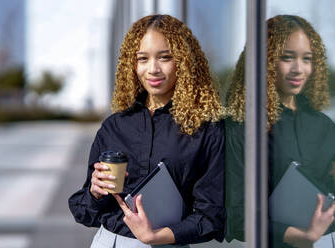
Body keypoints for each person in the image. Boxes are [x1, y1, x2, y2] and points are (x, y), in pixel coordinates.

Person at [68, 14, 226, 247]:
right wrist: (95, 192)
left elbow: (211, 215)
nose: (153, 69)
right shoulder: (114, 126)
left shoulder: (207, 130)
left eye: (165, 58)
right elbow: (84, 212)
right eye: (142, 59)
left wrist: (155, 237)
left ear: (183, 61)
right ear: (132, 64)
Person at [225, 15, 335, 248]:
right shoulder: (240, 128)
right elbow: (236, 218)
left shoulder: (324, 126)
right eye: (287, 58)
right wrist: (299, 237)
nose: (298, 69)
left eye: (307, 59)